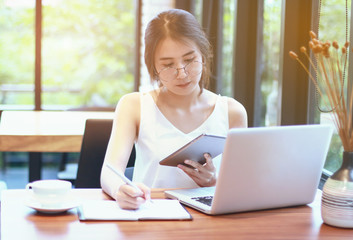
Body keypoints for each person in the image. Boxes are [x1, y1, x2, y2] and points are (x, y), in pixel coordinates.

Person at [100, 9, 247, 209]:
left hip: (209, 223)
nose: (182, 74)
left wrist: (214, 182)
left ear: (203, 55)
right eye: (168, 65)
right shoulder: (134, 106)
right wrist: (120, 190)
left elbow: (241, 187)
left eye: (189, 60)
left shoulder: (232, 112)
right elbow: (110, 171)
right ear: (153, 67)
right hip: (151, 214)